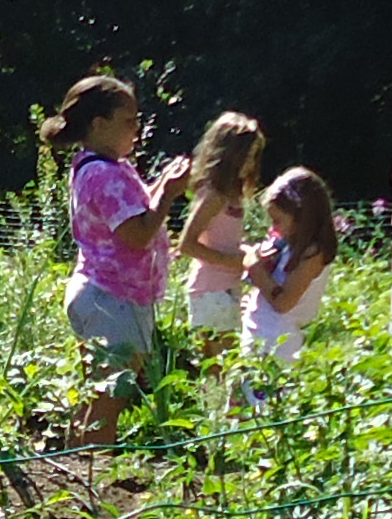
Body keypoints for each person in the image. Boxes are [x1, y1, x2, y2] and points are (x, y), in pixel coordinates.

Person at [47, 71, 191, 440]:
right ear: (99, 124)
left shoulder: (107, 168)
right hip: (113, 300)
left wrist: (162, 184)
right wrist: (170, 193)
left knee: (98, 398)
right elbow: (138, 234)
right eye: (128, 121)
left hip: (109, 296)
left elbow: (138, 210)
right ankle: (95, 476)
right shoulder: (103, 175)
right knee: (109, 402)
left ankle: (78, 467)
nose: (136, 129)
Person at [172, 113, 263, 355]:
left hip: (227, 287)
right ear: (230, 155)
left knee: (228, 364)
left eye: (253, 156)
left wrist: (247, 253)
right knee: (218, 367)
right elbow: (187, 244)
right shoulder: (213, 196)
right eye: (247, 156)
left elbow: (223, 240)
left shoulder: (233, 195)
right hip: (210, 290)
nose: (251, 163)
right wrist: (234, 261)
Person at [239, 165, 339, 365]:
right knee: (241, 393)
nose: (272, 228)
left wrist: (256, 269)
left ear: (302, 218)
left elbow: (283, 303)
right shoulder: (288, 245)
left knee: (260, 394)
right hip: (260, 332)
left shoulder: (312, 254)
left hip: (275, 342)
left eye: (277, 221)